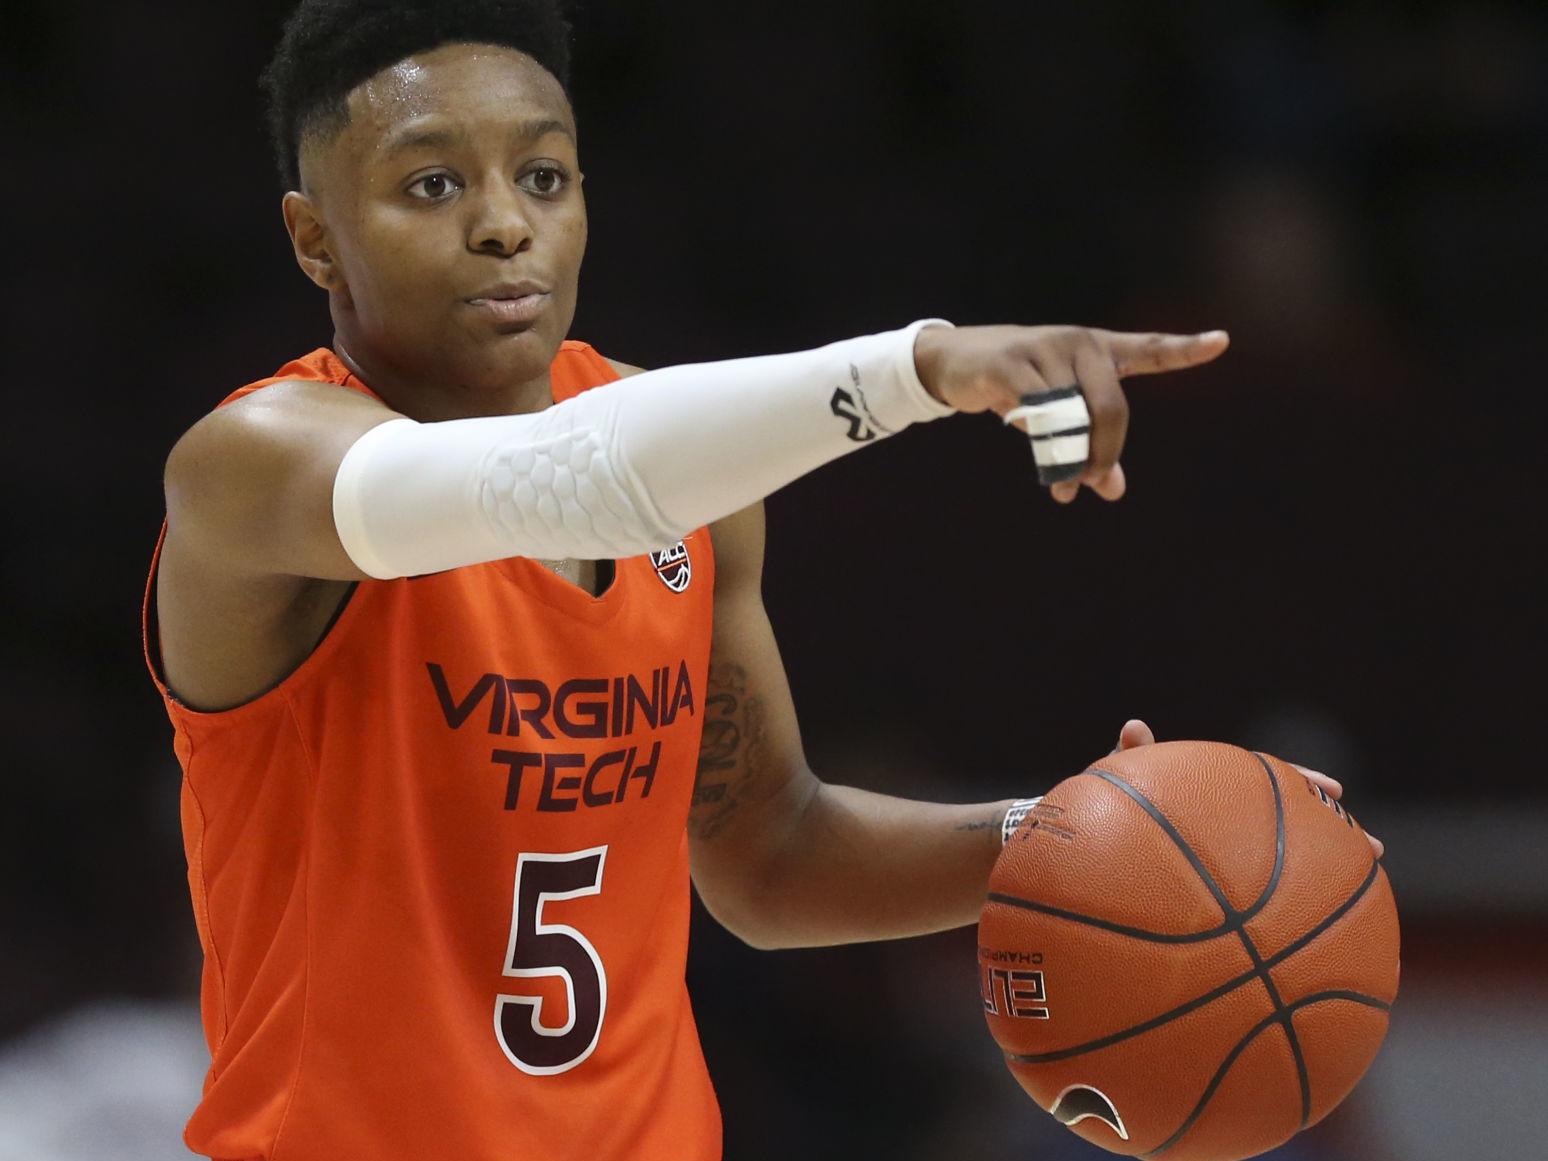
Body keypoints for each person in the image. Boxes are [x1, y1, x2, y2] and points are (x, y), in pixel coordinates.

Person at [143, 2, 1374, 1158]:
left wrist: (1096, 840)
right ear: (315, 238)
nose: (504, 223)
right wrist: (920, 368)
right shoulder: (254, 468)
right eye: (430, 185)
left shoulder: (694, 478)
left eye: (545, 176)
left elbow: (774, 857)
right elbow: (540, 479)